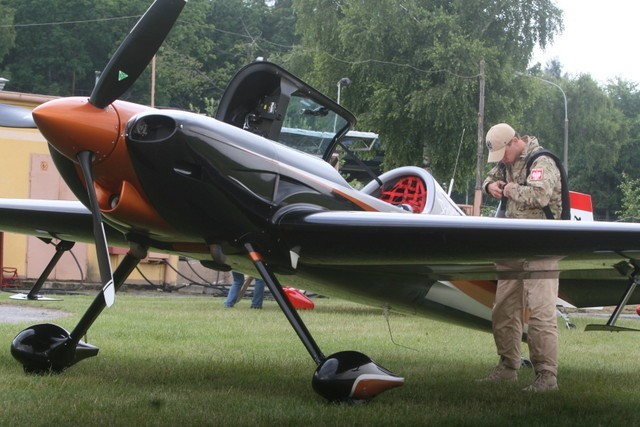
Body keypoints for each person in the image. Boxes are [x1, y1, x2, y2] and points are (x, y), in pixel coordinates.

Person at [479, 122, 562, 392]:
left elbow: (540, 196)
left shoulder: (541, 160)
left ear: (515, 141)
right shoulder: (506, 162)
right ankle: (507, 366)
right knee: (503, 310)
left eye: (504, 152)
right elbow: (490, 178)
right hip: (513, 245)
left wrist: (509, 189)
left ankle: (547, 376)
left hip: (542, 245)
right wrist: (490, 185)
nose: (502, 159)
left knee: (540, 313)